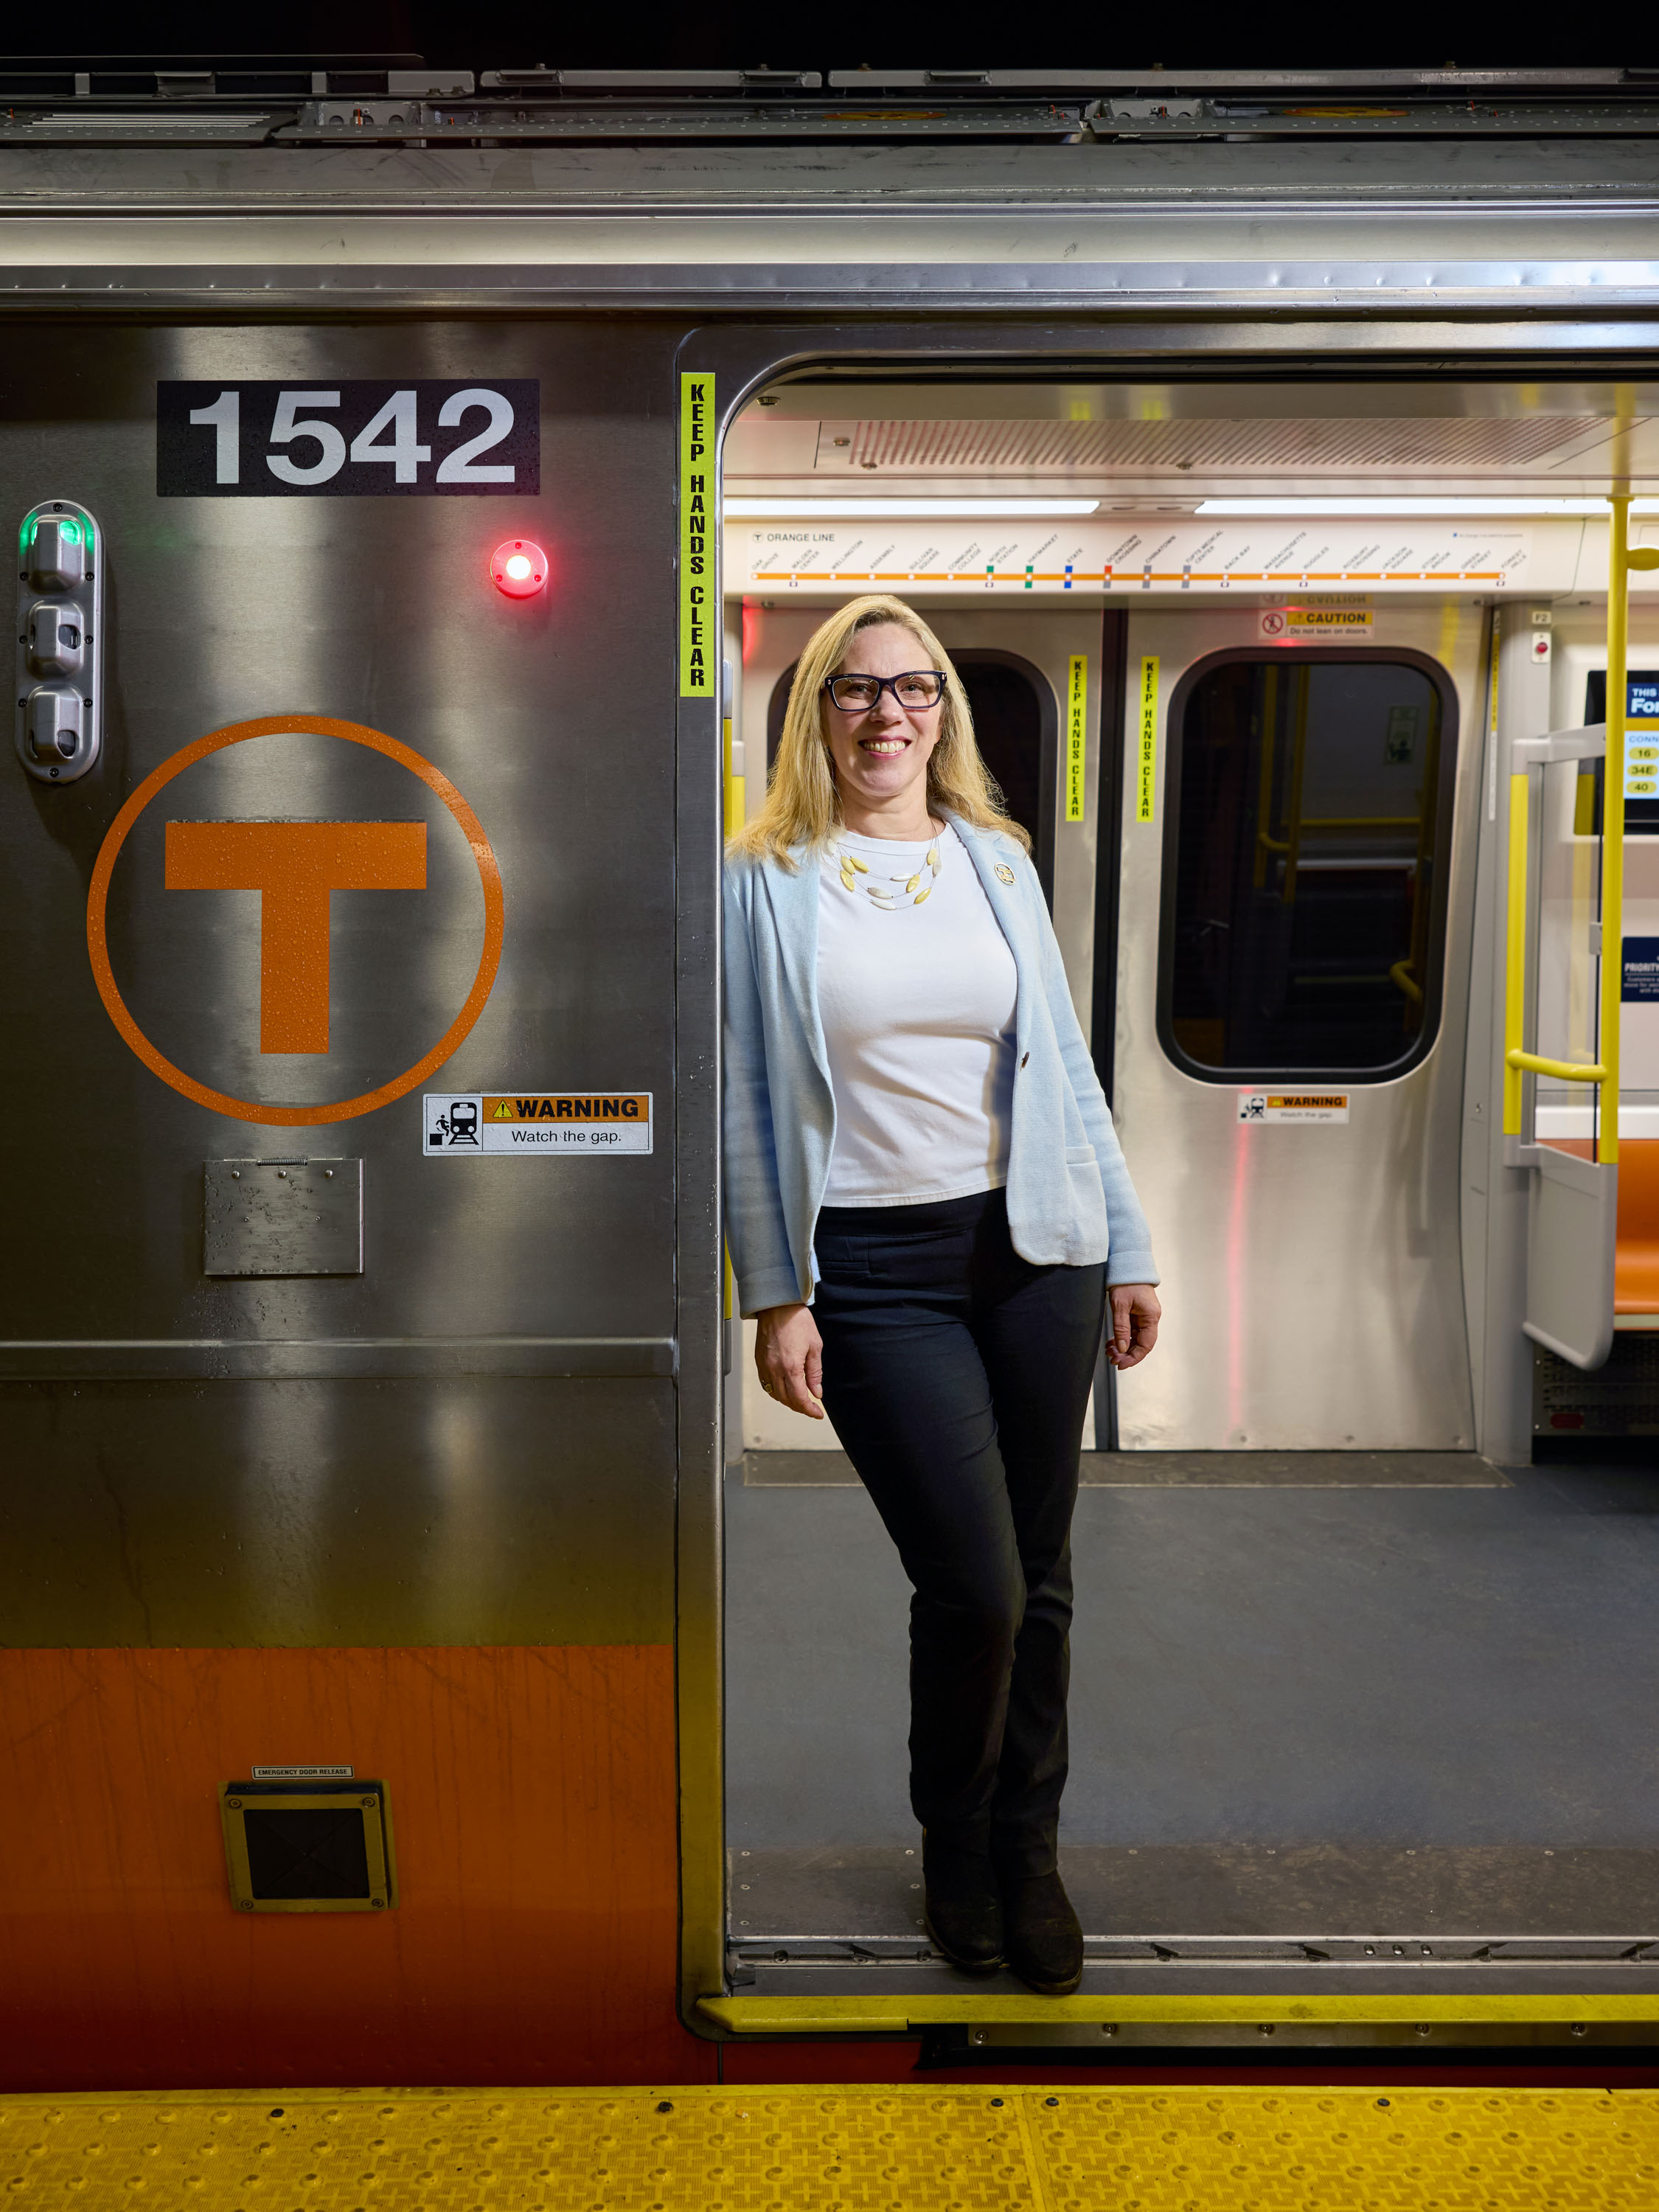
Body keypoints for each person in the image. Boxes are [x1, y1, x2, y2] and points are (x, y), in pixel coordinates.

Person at [723, 594, 1160, 1997]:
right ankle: (951, 1835)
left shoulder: (995, 860)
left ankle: (1022, 1857)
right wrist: (772, 1291)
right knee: (969, 1582)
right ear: (814, 714)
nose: (885, 715)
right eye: (853, 692)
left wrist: (1130, 1241)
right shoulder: (764, 874)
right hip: (869, 1269)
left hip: (1036, 1248)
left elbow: (1066, 1066)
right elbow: (743, 1094)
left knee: (1040, 1581)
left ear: (943, 712)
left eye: (912, 690)